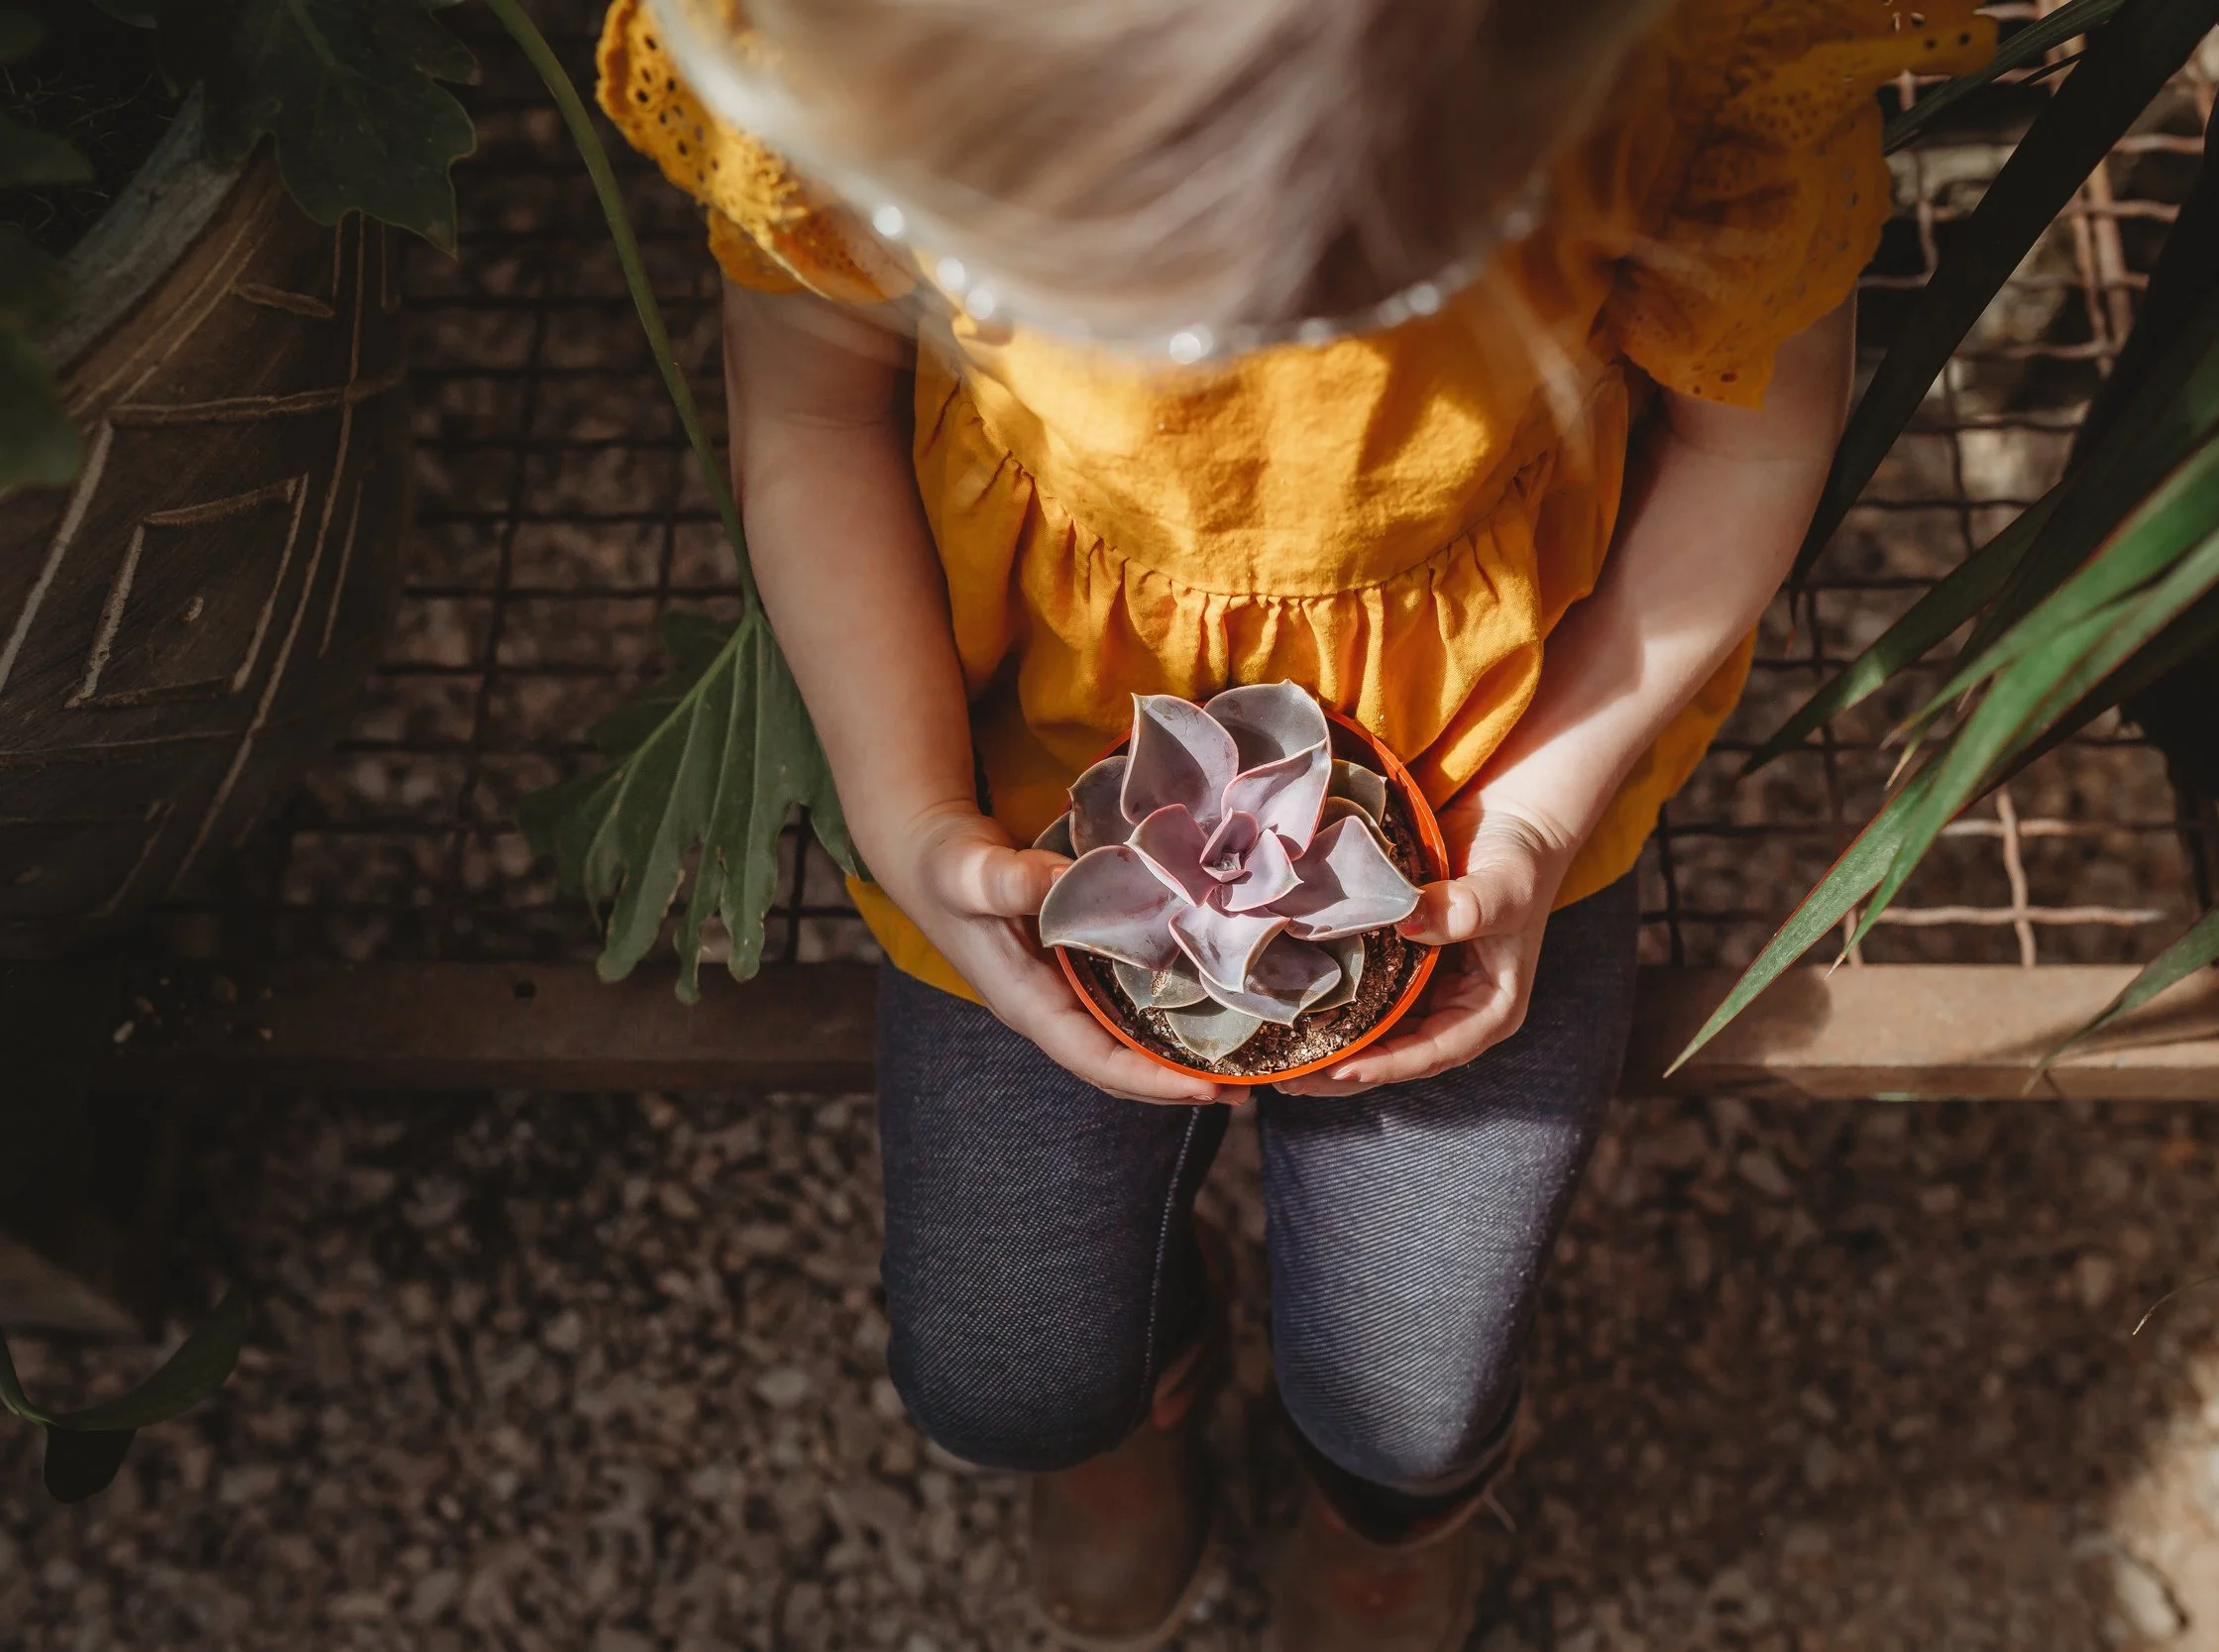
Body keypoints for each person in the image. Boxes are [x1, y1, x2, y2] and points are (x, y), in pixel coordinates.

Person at [597, 1, 1990, 1645]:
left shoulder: (1697, 64)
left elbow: (1753, 443)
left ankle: (1388, 1509)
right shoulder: (848, 48)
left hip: (1492, 773)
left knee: (1414, 1383)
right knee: (998, 1371)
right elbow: (817, 415)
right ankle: (1130, 1396)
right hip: (1025, 763)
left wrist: (1544, 810)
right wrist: (908, 809)